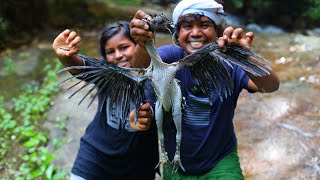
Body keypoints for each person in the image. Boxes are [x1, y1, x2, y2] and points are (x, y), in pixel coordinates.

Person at [130, 0, 280, 179]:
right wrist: (143, 43)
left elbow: (270, 86)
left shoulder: (230, 63)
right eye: (186, 26)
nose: (195, 32)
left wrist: (245, 57)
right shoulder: (170, 57)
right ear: (177, 35)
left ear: (218, 32)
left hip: (221, 162)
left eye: (204, 25)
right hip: (175, 164)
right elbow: (139, 70)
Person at [52, 21, 159, 179]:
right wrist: (67, 57)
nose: (117, 55)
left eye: (123, 47)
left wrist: (147, 116)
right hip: (95, 156)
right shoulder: (106, 73)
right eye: (110, 51)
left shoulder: (158, 75)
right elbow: (82, 67)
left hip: (137, 164)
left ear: (138, 45)